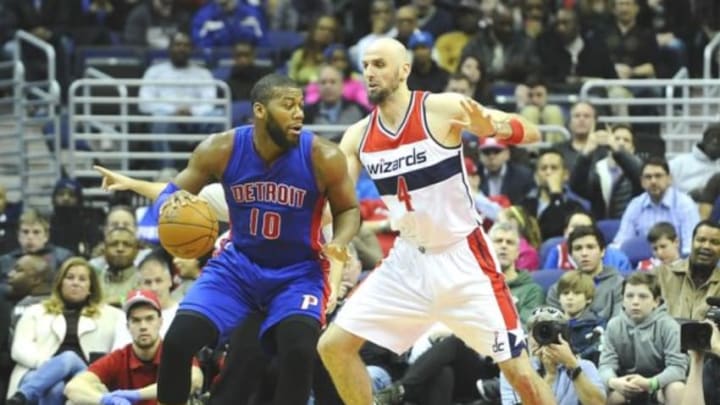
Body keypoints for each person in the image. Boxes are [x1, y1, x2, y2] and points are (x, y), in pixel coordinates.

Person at [94, 73, 360, 405]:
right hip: (238, 269)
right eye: (288, 105)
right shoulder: (221, 149)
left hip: (297, 273)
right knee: (177, 341)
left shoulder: (324, 156)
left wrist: (341, 241)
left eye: (301, 105)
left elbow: (349, 209)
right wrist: (169, 202)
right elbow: (174, 193)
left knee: (298, 350)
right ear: (260, 111)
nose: (299, 114)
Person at [317, 37, 555, 405]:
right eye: (365, 65)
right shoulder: (358, 136)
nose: (369, 72)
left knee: (520, 374)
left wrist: (494, 128)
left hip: (464, 258)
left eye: (379, 64)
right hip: (407, 261)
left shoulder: (441, 108)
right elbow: (334, 205)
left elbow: (533, 132)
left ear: (405, 69)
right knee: (333, 346)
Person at [6, 257, 122, 405]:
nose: (75, 283)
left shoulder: (112, 315)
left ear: (91, 287)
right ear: (60, 283)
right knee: (55, 387)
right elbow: (19, 349)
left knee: (69, 357)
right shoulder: (35, 311)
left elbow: (120, 351)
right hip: (38, 372)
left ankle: (23, 395)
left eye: (82, 279)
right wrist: (52, 366)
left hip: (85, 374)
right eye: (70, 277)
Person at [64, 289, 203, 405]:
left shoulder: (175, 352)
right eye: (136, 320)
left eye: (149, 319)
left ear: (160, 322)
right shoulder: (119, 357)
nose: (143, 326)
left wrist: (137, 394)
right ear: (127, 326)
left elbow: (195, 380)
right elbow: (73, 387)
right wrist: (104, 399)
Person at [599, 272, 687, 405]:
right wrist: (614, 382)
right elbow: (605, 365)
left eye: (643, 296)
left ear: (656, 301)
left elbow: (678, 368)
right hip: (627, 386)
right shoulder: (614, 325)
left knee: (677, 388)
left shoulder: (669, 326)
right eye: (629, 296)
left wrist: (650, 383)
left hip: (660, 386)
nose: (635, 302)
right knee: (599, 391)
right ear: (623, 300)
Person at [500, 306, 606, 405]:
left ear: (564, 338)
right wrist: (550, 376)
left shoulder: (584, 367)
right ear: (527, 337)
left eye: (548, 332)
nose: (543, 340)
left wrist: (573, 367)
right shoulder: (514, 372)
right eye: (538, 332)